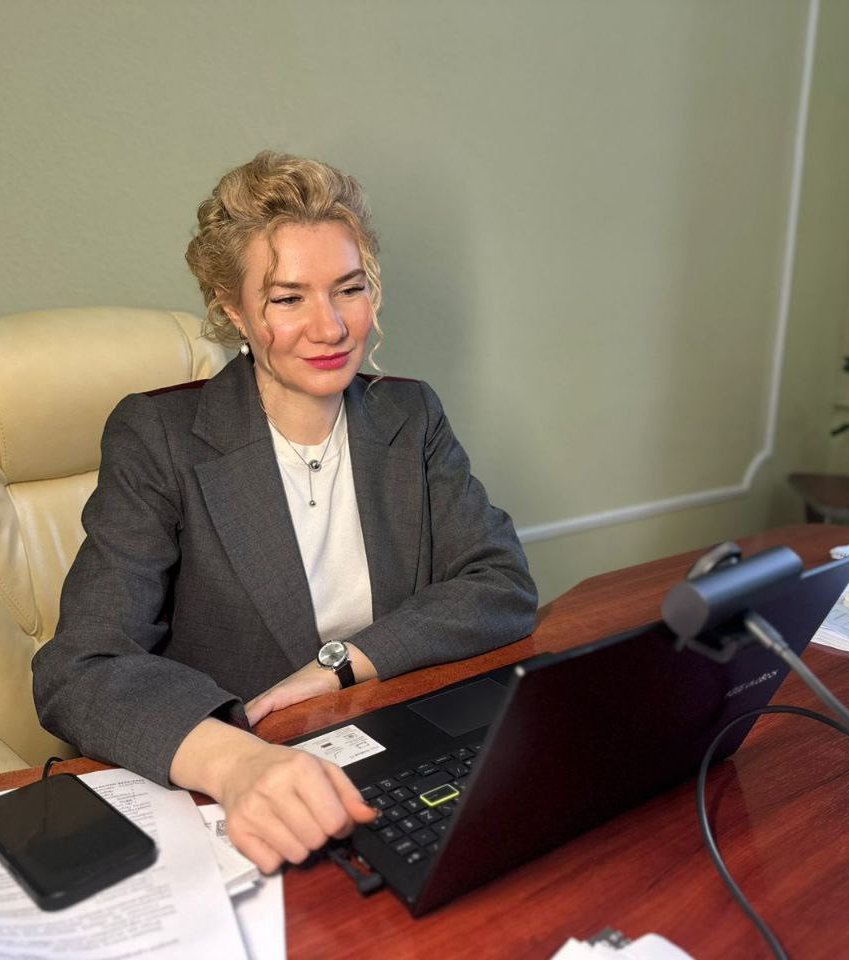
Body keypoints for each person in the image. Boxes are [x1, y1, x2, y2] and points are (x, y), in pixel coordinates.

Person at [32, 151, 537, 874]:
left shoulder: (410, 413)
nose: (330, 328)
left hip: (387, 750)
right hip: (249, 791)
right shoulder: (159, 437)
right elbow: (80, 667)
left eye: (349, 289)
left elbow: (500, 584)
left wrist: (340, 665)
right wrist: (236, 762)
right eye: (288, 298)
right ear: (233, 309)